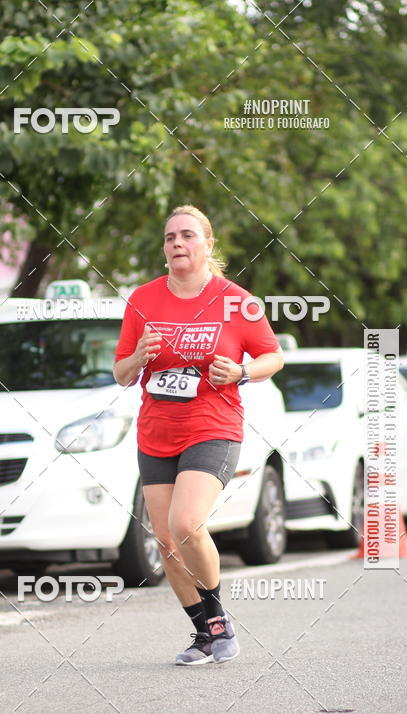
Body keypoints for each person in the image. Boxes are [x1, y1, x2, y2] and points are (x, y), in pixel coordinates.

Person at [113, 204, 284, 665]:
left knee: (186, 524)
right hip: (156, 432)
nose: (177, 245)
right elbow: (121, 373)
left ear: (208, 244)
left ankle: (218, 620)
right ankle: (206, 631)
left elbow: (274, 356)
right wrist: (140, 356)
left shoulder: (236, 299)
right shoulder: (142, 300)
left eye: (187, 236)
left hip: (213, 427)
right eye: (170, 238)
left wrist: (242, 371)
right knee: (166, 541)